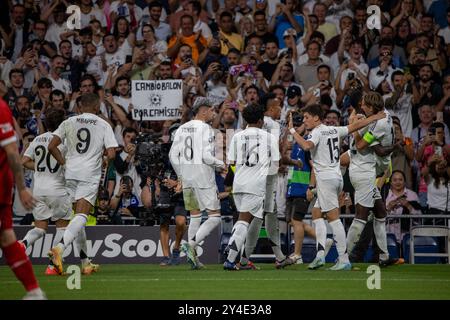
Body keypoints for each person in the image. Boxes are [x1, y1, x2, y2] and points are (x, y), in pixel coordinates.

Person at [287, 103, 386, 271]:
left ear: (316, 118)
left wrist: (292, 131)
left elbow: (306, 146)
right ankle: (319, 256)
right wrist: (374, 117)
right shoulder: (334, 130)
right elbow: (355, 125)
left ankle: (343, 259)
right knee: (317, 213)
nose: (304, 121)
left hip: (325, 179)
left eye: (306, 117)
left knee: (334, 219)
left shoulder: (316, 133)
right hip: (336, 177)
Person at [47, 93, 118, 275]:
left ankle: (86, 263)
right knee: (82, 216)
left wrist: (64, 163)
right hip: (89, 174)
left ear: (80, 107)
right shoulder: (103, 124)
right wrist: (104, 159)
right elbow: (112, 153)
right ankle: (59, 249)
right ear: (97, 107)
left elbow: (51, 146)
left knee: (77, 219)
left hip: (70, 173)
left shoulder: (69, 122)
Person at [345, 92, 403, 267]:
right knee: (362, 216)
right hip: (364, 172)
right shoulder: (385, 116)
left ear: (372, 107)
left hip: (369, 170)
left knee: (379, 213)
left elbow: (361, 145)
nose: (361, 107)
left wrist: (354, 127)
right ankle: (343, 257)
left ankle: (384, 257)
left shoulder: (378, 124)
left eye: (364, 105)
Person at [169, 97, 225, 269]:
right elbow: (206, 157)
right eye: (212, 110)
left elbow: (172, 155)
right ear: (203, 111)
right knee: (215, 217)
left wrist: (181, 176)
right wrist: (222, 164)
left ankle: (193, 259)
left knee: (195, 216)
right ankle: (191, 245)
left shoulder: (181, 128)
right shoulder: (207, 129)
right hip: (203, 178)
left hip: (188, 178)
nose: (214, 113)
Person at [224, 103, 280, 270]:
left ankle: (240, 259)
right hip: (256, 185)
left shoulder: (236, 136)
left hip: (238, 183)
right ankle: (230, 259)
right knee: (243, 222)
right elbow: (275, 167)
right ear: (261, 120)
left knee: (245, 221)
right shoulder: (269, 138)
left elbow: (232, 163)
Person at [0, 96, 45, 299]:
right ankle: (34, 291)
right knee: (7, 237)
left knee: (7, 237)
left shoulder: (0, 108)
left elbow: (12, 152)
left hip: (1, 182)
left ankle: (34, 290)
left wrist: (22, 188)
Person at [21, 108, 73, 276]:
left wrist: (41, 169)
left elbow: (24, 161)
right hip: (57, 190)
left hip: (39, 191)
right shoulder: (63, 142)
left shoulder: (37, 139)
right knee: (62, 229)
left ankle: (22, 245)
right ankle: (52, 266)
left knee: (40, 228)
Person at [385, 170, 422, 242]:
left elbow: (420, 217)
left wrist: (408, 206)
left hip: (408, 237)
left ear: (404, 182)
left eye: (400, 180)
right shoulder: (385, 196)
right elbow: (379, 219)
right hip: (389, 237)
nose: (398, 182)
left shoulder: (412, 195)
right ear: (390, 182)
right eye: (395, 180)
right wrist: (388, 208)